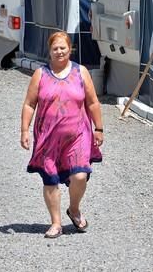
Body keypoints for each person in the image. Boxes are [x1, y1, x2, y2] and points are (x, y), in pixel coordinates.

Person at [20, 31, 104, 238]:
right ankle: (56, 223)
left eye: (63, 48)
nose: (59, 52)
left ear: (70, 49)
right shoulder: (40, 74)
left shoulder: (81, 72)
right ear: (49, 51)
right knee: (50, 179)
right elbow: (30, 104)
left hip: (78, 135)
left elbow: (92, 102)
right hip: (47, 137)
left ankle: (73, 208)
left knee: (80, 175)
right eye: (55, 48)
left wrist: (99, 128)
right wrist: (24, 130)